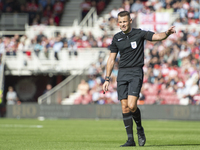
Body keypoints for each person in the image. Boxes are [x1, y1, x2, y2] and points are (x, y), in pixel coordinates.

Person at [102, 11, 176, 147]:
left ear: (130, 21)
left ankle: (140, 129)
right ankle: (130, 140)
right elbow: (111, 59)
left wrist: (166, 33)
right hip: (122, 73)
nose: (123, 24)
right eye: (120, 22)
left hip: (136, 72)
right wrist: (107, 79)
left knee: (131, 105)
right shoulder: (116, 38)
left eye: (125, 21)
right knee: (124, 107)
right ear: (118, 23)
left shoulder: (139, 33)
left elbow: (156, 37)